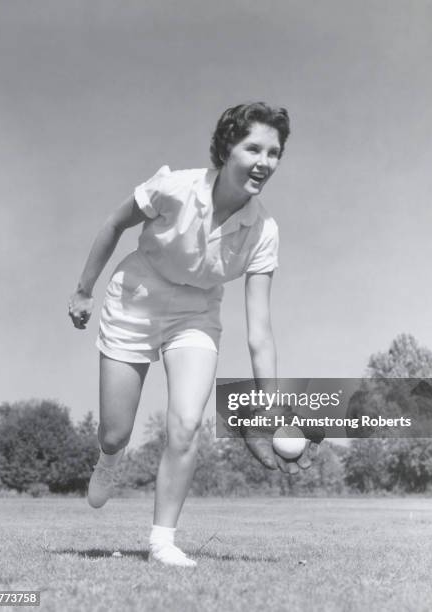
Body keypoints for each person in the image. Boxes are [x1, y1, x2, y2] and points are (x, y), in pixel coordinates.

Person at [68, 102, 322, 568]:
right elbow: (114, 223)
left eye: (275, 152)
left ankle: (162, 541)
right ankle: (108, 459)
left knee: (185, 424)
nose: (265, 161)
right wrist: (84, 291)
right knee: (116, 430)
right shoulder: (175, 188)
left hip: (196, 313)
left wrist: (272, 411)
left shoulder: (264, 231)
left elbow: (260, 333)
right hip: (135, 300)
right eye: (254, 148)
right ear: (227, 148)